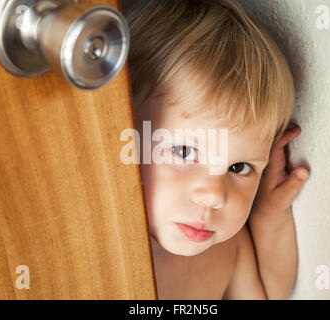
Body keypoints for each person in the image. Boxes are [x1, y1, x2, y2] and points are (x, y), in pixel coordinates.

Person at [123, 0, 310, 299]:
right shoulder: (97, 246)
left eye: (239, 167)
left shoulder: (226, 248)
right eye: (184, 152)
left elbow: (271, 294)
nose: (214, 195)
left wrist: (269, 215)